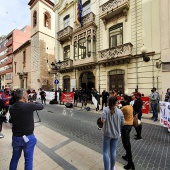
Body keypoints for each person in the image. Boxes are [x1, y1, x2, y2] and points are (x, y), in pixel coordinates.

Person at [9, 88, 44, 169]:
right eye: (26, 95)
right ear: (24, 96)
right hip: (28, 137)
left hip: (16, 137)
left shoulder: (11, 108)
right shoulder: (29, 105)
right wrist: (34, 102)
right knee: (28, 160)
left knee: (14, 158)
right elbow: (41, 106)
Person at [101, 96, 124, 170]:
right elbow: (123, 124)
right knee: (113, 151)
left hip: (107, 133)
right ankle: (112, 168)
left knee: (105, 152)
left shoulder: (105, 110)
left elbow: (102, 121)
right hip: (116, 134)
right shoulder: (120, 112)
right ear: (115, 103)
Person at [121, 95, 135, 170]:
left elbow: (118, 113)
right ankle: (127, 155)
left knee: (126, 144)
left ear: (125, 100)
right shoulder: (130, 106)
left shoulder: (124, 107)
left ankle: (130, 163)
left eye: (122, 99)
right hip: (130, 125)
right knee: (127, 141)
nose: (121, 100)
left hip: (125, 126)